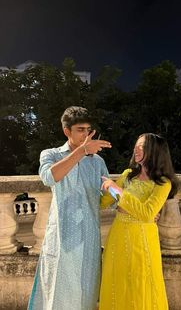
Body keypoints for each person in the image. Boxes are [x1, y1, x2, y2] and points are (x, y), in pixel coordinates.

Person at [28, 106, 112, 310]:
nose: (86, 135)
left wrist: (138, 207)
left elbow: (109, 194)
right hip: (61, 238)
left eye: (88, 130)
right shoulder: (51, 154)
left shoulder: (97, 161)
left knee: (86, 294)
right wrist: (82, 151)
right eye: (80, 129)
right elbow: (50, 177)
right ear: (67, 131)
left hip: (89, 238)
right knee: (56, 294)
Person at [99, 133, 178, 310]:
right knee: (116, 282)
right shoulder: (128, 175)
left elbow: (147, 213)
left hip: (142, 242)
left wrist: (119, 193)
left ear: (155, 151)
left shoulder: (163, 183)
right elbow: (104, 203)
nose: (136, 149)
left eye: (142, 146)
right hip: (117, 237)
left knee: (140, 283)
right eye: (136, 145)